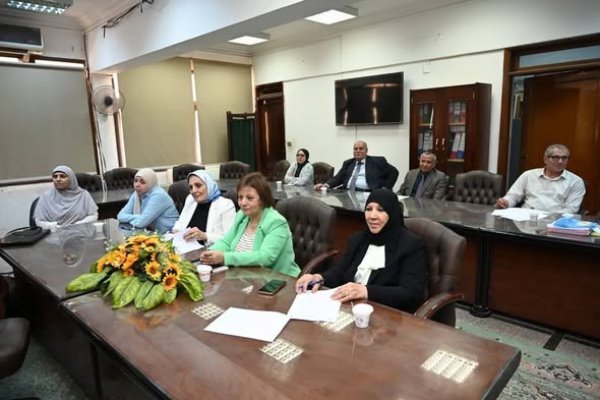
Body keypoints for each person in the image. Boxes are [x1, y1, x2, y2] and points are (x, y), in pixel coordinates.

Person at [296, 188, 427, 312]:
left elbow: (411, 294)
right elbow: (340, 270)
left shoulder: (411, 245)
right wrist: (319, 277)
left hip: (386, 315)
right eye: (368, 209)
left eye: (381, 210)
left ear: (392, 213)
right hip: (347, 307)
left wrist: (365, 291)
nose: (372, 216)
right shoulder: (358, 239)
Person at [200, 172, 300, 277]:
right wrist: (210, 252)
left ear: (263, 199)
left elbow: (265, 258)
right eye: (240, 197)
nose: (243, 203)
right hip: (244, 277)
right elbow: (226, 242)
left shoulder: (276, 222)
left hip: (277, 280)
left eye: (250, 198)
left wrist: (225, 258)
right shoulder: (242, 216)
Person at [496, 144, 585, 214]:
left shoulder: (576, 181)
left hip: (555, 222)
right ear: (545, 159)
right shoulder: (529, 175)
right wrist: (506, 202)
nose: (560, 161)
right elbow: (514, 195)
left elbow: (570, 210)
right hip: (526, 220)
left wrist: (548, 218)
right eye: (555, 157)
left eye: (564, 158)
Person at [172, 169, 236, 246]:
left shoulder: (225, 204)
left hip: (209, 250)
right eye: (191, 187)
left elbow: (230, 239)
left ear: (209, 185)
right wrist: (177, 231)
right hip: (184, 247)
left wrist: (205, 236)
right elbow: (181, 222)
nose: (193, 191)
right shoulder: (190, 199)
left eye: (198, 185)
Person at [313, 140, 398, 192]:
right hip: (347, 193)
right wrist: (325, 185)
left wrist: (386, 188)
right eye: (355, 149)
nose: (358, 151)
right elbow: (337, 178)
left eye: (361, 148)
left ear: (366, 151)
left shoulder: (377, 161)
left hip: (369, 193)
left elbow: (394, 172)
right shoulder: (348, 163)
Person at [34, 165, 98, 230]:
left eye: (62, 176)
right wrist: (51, 226)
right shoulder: (46, 197)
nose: (58, 179)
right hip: (55, 234)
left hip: (81, 232)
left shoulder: (83, 195)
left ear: (71, 178)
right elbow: (39, 221)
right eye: (55, 176)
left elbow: (93, 215)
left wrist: (78, 225)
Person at [117, 168, 179, 233]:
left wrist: (141, 219)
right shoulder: (136, 194)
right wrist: (140, 217)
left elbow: (140, 223)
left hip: (169, 234)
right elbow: (120, 216)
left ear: (150, 183)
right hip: (150, 233)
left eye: (142, 182)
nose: (137, 185)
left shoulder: (158, 195)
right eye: (135, 181)